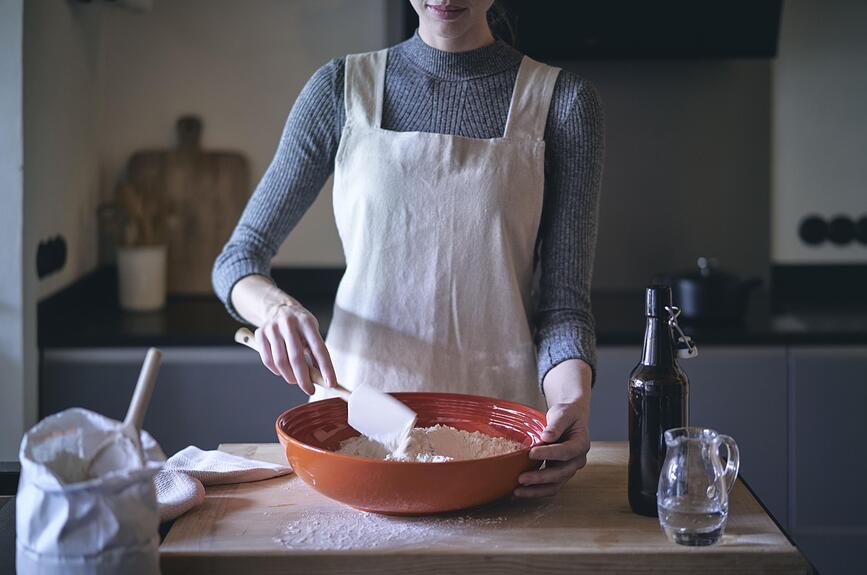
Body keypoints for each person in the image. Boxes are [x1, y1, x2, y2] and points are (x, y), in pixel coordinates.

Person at [213, 0, 604, 498]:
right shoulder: (340, 88)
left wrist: (572, 404)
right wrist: (275, 310)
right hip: (356, 429)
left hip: (498, 442)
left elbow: (564, 308)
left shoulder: (563, 103)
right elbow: (239, 259)